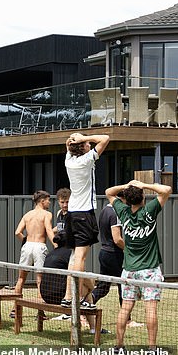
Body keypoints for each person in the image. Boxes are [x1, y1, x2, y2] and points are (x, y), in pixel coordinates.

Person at [105, 180, 172, 349]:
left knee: (125, 308)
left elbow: (108, 192)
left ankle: (119, 346)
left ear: (126, 200)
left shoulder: (123, 212)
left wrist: (125, 186)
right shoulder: (149, 210)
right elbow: (166, 190)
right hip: (149, 270)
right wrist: (145, 185)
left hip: (129, 271)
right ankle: (151, 348)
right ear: (143, 198)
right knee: (150, 309)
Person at [61, 132, 110, 309]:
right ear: (82, 147)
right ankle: (75, 296)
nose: (89, 143)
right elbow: (105, 138)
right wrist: (82, 139)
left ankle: (68, 296)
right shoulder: (86, 160)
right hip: (84, 213)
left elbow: (68, 146)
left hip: (72, 214)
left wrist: (77, 140)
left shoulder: (69, 160)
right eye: (86, 142)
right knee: (80, 258)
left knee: (74, 257)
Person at [91, 192, 143, 328]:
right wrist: (129, 250)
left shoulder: (104, 210)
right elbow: (117, 239)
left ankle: (84, 308)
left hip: (104, 253)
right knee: (124, 285)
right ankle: (127, 320)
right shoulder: (115, 213)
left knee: (103, 287)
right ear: (123, 199)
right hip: (114, 255)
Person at [40, 233, 105, 334]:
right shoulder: (71, 254)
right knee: (87, 287)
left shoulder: (50, 253)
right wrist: (92, 287)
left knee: (84, 284)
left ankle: (92, 326)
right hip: (60, 298)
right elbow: (81, 276)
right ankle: (93, 328)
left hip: (46, 296)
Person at [13, 190, 55, 295]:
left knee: (21, 278)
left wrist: (25, 240)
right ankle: (40, 311)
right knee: (39, 279)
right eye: (48, 200)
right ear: (42, 201)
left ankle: (15, 308)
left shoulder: (27, 215)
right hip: (39, 246)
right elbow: (49, 230)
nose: (49, 203)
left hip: (27, 246)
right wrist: (56, 245)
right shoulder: (47, 214)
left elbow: (17, 232)